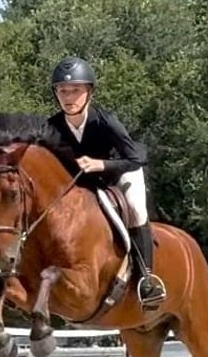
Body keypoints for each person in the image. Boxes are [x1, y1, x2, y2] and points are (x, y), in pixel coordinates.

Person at [46, 55, 166, 310]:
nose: (68, 97)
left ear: (89, 92)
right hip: (84, 183)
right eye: (63, 91)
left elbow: (133, 159)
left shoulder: (105, 121)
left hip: (120, 172)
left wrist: (101, 164)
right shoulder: (52, 128)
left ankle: (147, 279)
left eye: (75, 90)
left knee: (135, 208)